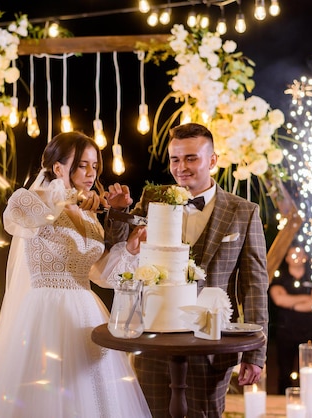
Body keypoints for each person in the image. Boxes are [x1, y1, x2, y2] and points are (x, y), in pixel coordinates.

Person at [0, 132, 151, 418]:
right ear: (58, 168)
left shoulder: (89, 216)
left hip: (87, 313)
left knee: (91, 397)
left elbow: (101, 274)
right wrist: (66, 196)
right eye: (82, 165)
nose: (91, 173)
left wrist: (131, 249)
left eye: (95, 166)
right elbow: (14, 219)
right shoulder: (31, 200)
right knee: (45, 395)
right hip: (46, 314)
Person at [104, 122, 269, 417]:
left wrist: (255, 353)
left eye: (191, 158)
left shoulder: (244, 212)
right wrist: (117, 214)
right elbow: (119, 253)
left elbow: (254, 286)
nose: (181, 167)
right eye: (175, 159)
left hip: (210, 347)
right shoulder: (151, 200)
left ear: (213, 160)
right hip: (152, 342)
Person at [269, 244, 312, 394]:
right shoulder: (280, 278)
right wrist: (306, 298)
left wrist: (292, 303)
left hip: (311, 333)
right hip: (286, 333)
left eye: (300, 253)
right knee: (285, 374)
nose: (297, 257)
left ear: (305, 257)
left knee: (311, 374)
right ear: (287, 258)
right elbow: (279, 299)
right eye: (293, 254)